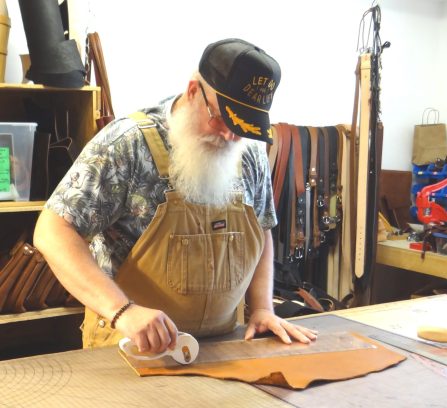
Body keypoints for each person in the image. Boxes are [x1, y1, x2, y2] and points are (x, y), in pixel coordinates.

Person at [33, 38, 317, 354]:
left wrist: (263, 307)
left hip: (221, 349)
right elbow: (52, 231)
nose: (230, 136)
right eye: (223, 118)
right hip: (130, 348)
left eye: (245, 126)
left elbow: (261, 229)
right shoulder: (127, 145)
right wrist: (122, 310)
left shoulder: (249, 153)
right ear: (194, 91)